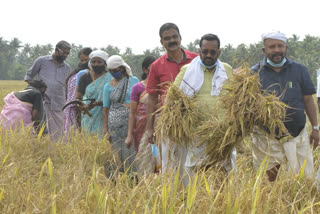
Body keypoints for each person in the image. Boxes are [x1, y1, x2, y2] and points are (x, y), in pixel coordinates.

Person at [251, 31, 319, 182]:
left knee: (304, 181)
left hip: (297, 134)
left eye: (280, 46)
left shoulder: (299, 70)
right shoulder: (254, 73)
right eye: (271, 46)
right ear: (264, 50)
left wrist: (315, 128)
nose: (276, 50)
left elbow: (308, 100)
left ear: (286, 48)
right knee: (268, 183)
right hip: (266, 137)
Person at [171, 34, 236, 185]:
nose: (208, 55)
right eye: (205, 51)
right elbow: (173, 97)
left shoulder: (226, 70)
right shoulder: (187, 71)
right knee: (195, 171)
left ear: (219, 53)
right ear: (199, 51)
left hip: (221, 132)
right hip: (196, 132)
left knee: (223, 171)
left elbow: (235, 97)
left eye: (213, 52)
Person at [144, 22, 198, 173]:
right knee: (169, 165)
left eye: (175, 36)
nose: (172, 40)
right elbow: (152, 98)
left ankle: (192, 195)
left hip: (194, 119)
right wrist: (150, 129)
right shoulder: (156, 65)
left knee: (192, 163)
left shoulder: (196, 60)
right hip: (168, 120)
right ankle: (171, 195)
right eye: (167, 38)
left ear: (180, 37)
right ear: (161, 42)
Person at [24, 40, 72, 141]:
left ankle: (55, 154)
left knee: (58, 134)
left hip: (58, 104)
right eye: (64, 52)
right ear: (56, 49)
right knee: (39, 131)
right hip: (41, 103)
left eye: (67, 53)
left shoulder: (67, 68)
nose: (65, 56)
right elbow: (28, 77)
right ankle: (41, 153)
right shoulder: (41, 61)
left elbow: (67, 87)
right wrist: (37, 90)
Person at [103, 55, 139, 173]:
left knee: (132, 149)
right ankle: (122, 177)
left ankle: (134, 176)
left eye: (115, 70)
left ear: (122, 69)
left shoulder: (133, 81)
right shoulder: (108, 86)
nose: (113, 73)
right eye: (110, 71)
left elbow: (140, 99)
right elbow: (105, 109)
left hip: (132, 121)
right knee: (118, 151)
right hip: (115, 126)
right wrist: (105, 129)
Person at [76, 50, 112, 138]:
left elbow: (114, 98)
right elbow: (78, 97)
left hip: (106, 115)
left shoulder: (111, 77)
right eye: (93, 62)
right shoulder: (85, 77)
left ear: (105, 63)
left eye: (99, 62)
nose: (96, 64)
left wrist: (98, 103)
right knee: (89, 141)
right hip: (88, 115)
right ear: (90, 63)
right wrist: (82, 105)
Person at [125, 56, 156, 153]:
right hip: (142, 129)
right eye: (152, 67)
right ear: (145, 70)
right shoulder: (138, 87)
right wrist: (129, 135)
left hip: (159, 128)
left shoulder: (163, 86)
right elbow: (132, 113)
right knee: (143, 157)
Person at [64, 47, 92, 138]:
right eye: (82, 60)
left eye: (86, 60)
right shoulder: (81, 74)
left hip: (81, 108)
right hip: (78, 108)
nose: (84, 63)